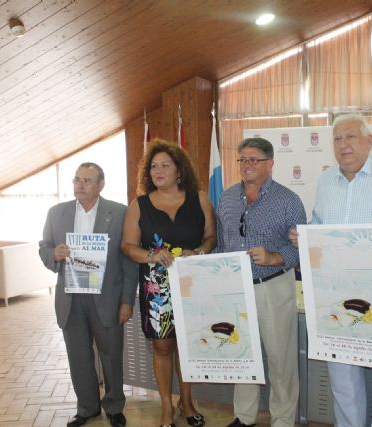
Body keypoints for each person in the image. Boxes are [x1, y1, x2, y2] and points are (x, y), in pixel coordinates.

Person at [291, 114, 372, 427]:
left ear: (370, 140)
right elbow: (321, 227)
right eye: (337, 139)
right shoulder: (325, 181)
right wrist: (307, 235)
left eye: (351, 137)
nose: (343, 145)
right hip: (337, 295)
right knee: (343, 375)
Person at [121, 140, 216, 427]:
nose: (158, 171)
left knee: (188, 345)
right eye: (153, 167)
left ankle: (186, 402)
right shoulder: (139, 205)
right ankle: (166, 407)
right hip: (156, 286)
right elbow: (127, 246)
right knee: (162, 348)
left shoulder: (199, 198)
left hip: (192, 282)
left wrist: (198, 251)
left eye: (165, 165)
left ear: (179, 171)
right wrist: (151, 254)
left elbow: (212, 237)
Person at [39, 162, 138, 427]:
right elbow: (44, 247)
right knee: (78, 356)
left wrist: (127, 301)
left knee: (111, 356)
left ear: (101, 185)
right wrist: (53, 255)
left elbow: (129, 260)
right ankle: (87, 408)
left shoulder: (119, 213)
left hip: (107, 298)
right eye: (76, 180)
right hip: (71, 298)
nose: (79, 185)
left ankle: (115, 407)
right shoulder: (56, 213)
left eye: (87, 181)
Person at [216, 137, 307, 427]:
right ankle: (244, 416)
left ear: (270, 163)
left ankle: (282, 419)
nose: (247, 165)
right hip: (236, 287)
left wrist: (272, 257)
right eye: (242, 159)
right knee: (243, 354)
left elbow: (302, 247)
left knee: (280, 358)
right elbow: (220, 243)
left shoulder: (289, 200)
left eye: (254, 159)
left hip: (273, 286)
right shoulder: (227, 197)